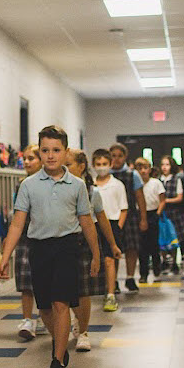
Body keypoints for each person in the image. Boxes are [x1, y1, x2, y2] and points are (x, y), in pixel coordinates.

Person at [0, 126, 100, 368]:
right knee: (44, 307)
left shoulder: (77, 186)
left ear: (66, 153)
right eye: (45, 150)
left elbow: (87, 222)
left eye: (56, 150)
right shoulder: (28, 185)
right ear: (39, 152)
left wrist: (96, 254)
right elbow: (18, 224)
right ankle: (60, 342)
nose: (50, 155)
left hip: (67, 248)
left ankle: (57, 360)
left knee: (61, 303)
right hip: (39, 248)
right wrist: (5, 255)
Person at [66, 149, 121, 351]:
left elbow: (103, 221)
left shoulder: (92, 192)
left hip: (83, 243)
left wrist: (112, 245)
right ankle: (75, 319)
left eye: (69, 164)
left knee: (83, 291)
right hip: (62, 243)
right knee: (66, 290)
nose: (65, 169)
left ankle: (83, 331)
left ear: (81, 167)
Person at [13, 144, 46, 341]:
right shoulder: (21, 183)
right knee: (26, 282)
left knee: (43, 282)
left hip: (41, 236)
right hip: (24, 236)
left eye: (31, 158)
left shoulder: (45, 183)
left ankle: (43, 317)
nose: (26, 162)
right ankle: (27, 319)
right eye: (24, 158)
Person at [109, 143, 148, 293]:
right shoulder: (107, 174)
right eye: (113, 156)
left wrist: (143, 218)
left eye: (120, 156)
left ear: (125, 157)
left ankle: (130, 277)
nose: (116, 159)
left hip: (130, 215)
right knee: (115, 248)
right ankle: (114, 281)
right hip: (112, 216)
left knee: (132, 247)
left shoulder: (133, 174)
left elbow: (140, 197)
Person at [93, 148, 128, 311]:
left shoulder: (117, 185)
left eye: (104, 164)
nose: (101, 167)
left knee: (109, 259)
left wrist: (119, 227)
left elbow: (124, 208)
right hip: (93, 224)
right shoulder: (90, 185)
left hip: (113, 223)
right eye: (98, 164)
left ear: (110, 164)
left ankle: (111, 294)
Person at [134, 157, 165, 283]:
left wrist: (157, 214)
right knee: (142, 247)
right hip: (140, 214)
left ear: (150, 169)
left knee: (154, 244)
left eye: (145, 168)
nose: (143, 171)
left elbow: (162, 200)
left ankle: (157, 266)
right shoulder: (135, 185)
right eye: (140, 168)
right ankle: (143, 273)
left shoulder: (156, 183)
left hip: (153, 214)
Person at [160, 155, 184, 275]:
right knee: (162, 237)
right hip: (161, 213)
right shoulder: (158, 179)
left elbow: (179, 197)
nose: (164, 167)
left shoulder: (176, 179)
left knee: (174, 238)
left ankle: (174, 262)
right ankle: (164, 260)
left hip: (173, 213)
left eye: (167, 164)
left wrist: (166, 201)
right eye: (163, 164)